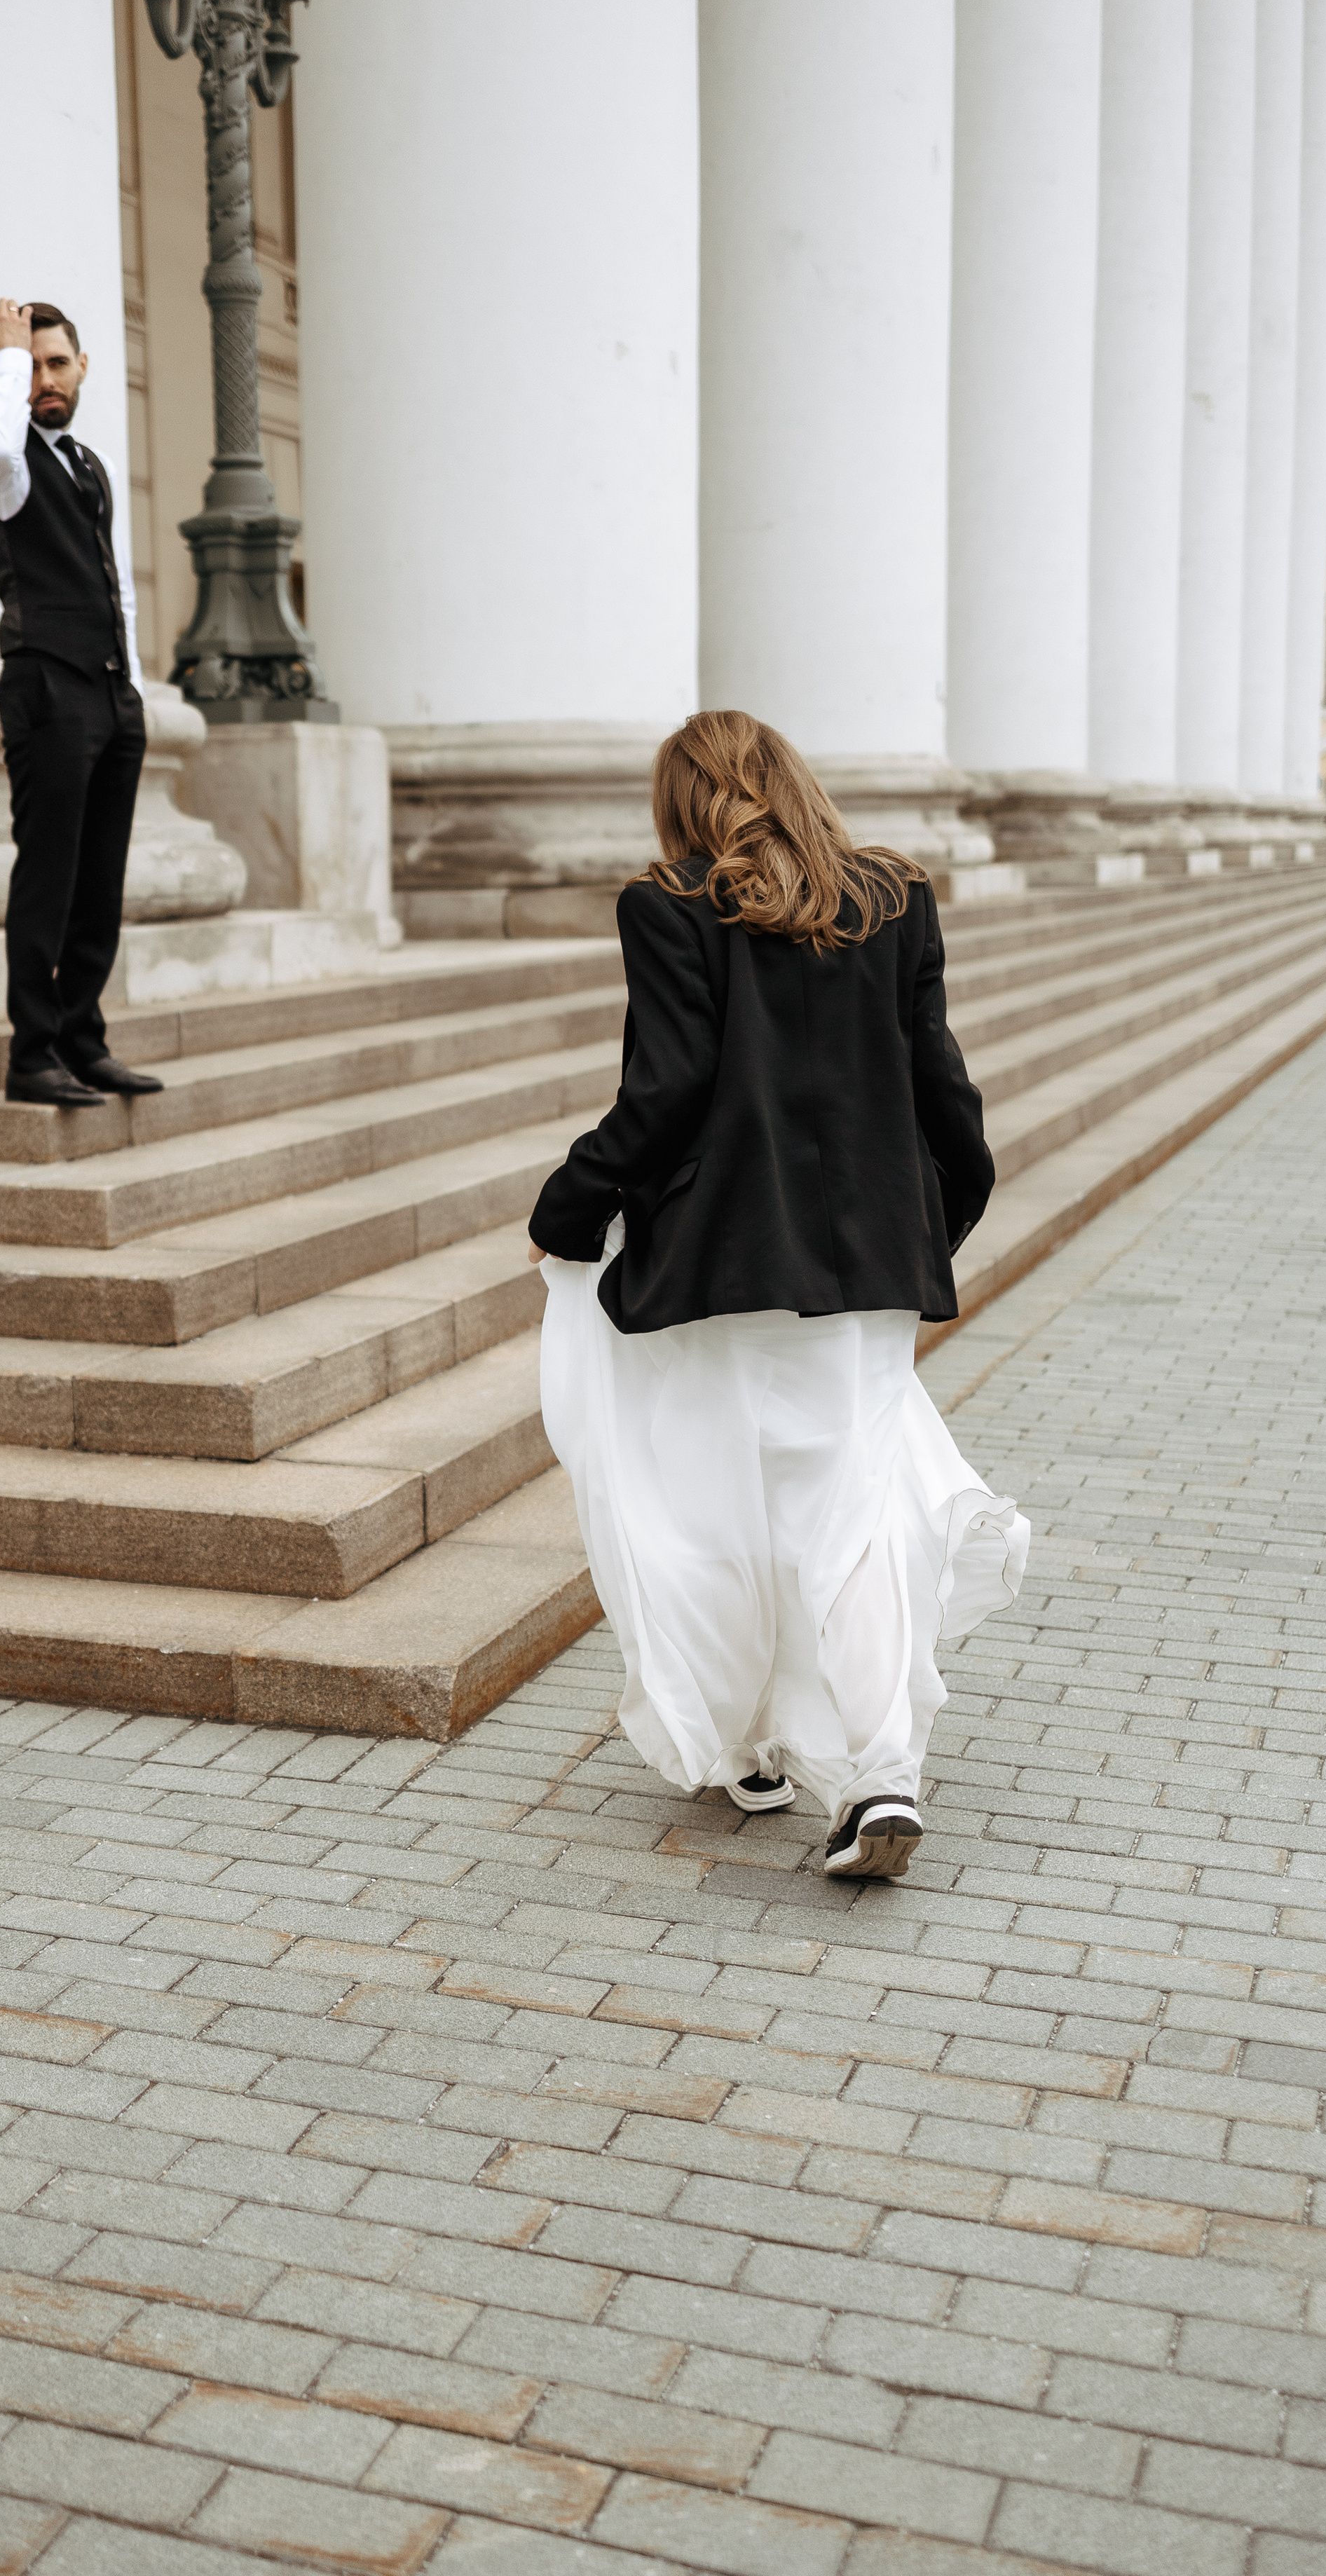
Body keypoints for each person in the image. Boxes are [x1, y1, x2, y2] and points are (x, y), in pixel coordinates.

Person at [528, 711, 1027, 1880]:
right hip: (869, 1261)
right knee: (846, 1509)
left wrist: (568, 1207)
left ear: (684, 800)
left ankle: (784, 1752)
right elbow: (942, 1087)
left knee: (713, 1505)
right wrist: (938, 1218)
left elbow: (667, 1092)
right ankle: (850, 1763)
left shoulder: (668, 904)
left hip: (728, 1257)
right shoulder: (895, 898)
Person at [0, 299, 163, 1107]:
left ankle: (83, 1040)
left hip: (111, 692)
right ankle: (32, 1055)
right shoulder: (2, 466)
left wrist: (133, 687)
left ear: (83, 368)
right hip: (46, 685)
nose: (45, 380)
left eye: (57, 364)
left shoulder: (91, 464)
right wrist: (6, 358)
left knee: (99, 882)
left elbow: (117, 586)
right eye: (33, 366)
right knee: (48, 876)